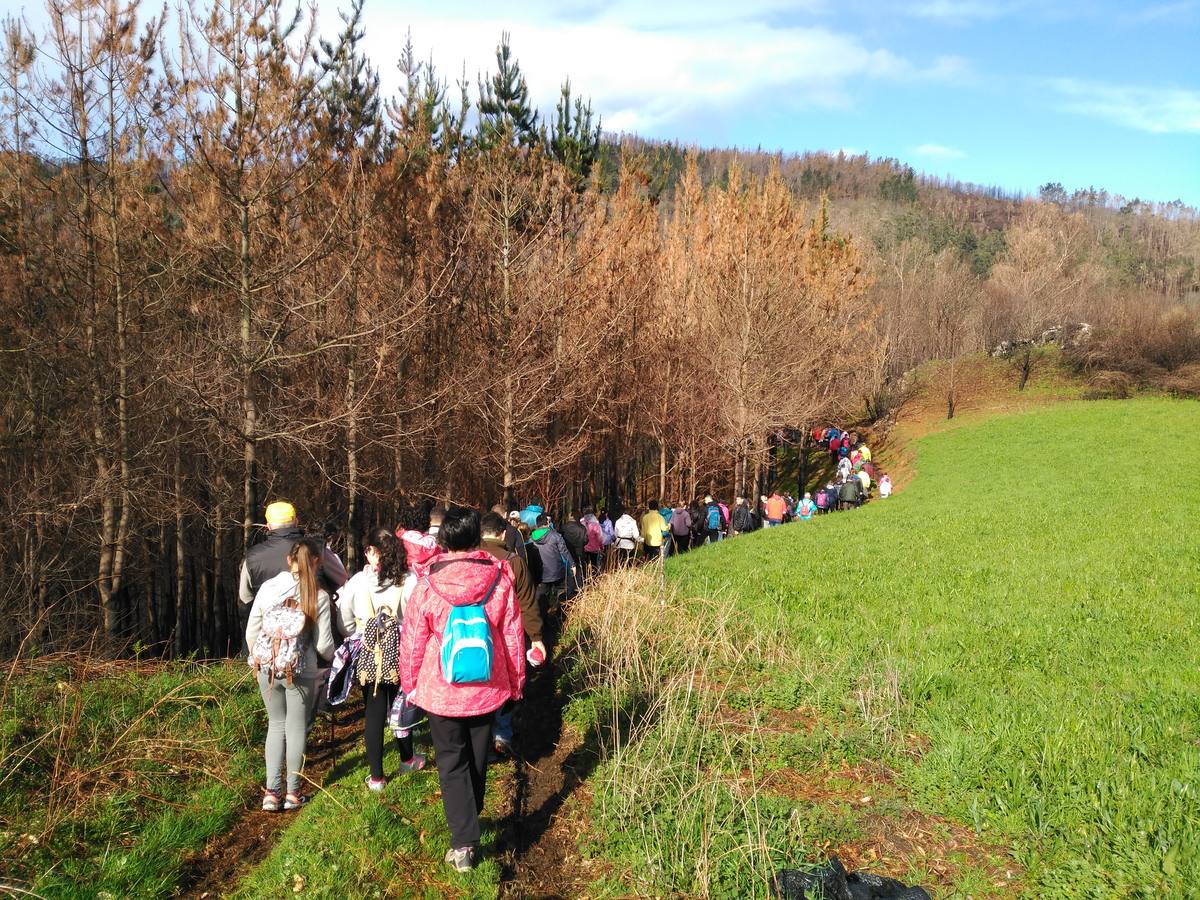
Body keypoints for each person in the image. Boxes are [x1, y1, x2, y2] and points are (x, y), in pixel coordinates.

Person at [398, 506, 525, 872]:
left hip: (441, 690)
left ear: (445, 541)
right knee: (478, 757)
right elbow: (513, 635)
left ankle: (464, 843)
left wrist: (410, 683)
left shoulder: (427, 584)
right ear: (475, 538)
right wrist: (516, 682)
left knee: (452, 763)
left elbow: (413, 642)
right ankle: (471, 815)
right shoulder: (499, 580)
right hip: (487, 685)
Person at [247, 537, 335, 812]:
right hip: (301, 669)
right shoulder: (318, 595)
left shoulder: (268, 588)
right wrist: (336, 661)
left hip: (267, 667)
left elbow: (252, 629)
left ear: (289, 560)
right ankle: (293, 794)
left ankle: (271, 793)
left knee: (276, 725)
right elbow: (323, 645)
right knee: (296, 728)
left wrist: (259, 660)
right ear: (317, 561)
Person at [340, 528, 426, 791]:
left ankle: (377, 777)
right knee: (401, 706)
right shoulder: (408, 580)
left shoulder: (356, 582)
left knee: (374, 713)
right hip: (400, 650)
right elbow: (417, 616)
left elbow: (344, 621)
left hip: (368, 652)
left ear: (370, 552)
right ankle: (407, 758)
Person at [239, 501, 347, 656]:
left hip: (272, 651)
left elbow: (245, 598)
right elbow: (341, 578)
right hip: (313, 650)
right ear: (296, 522)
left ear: (268, 526)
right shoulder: (315, 548)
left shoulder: (252, 557)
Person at [480, 512, 543, 758]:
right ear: (503, 534)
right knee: (506, 683)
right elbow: (527, 602)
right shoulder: (513, 562)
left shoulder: (470, 558)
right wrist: (536, 636)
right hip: (507, 634)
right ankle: (501, 735)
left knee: (482, 682)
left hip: (475, 633)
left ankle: (480, 735)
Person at [530, 514, 572, 619]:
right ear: (547, 523)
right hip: (557, 571)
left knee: (542, 599)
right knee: (562, 593)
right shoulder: (555, 535)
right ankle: (561, 617)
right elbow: (564, 552)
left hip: (541, 574)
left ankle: (543, 621)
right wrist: (572, 564)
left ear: (537, 524)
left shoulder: (531, 538)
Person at [580, 508, 604, 580]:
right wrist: (601, 546)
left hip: (583, 547)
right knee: (594, 564)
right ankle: (594, 579)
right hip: (594, 548)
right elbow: (600, 537)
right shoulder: (596, 524)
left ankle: (585, 578)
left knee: (585, 564)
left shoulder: (581, 522)